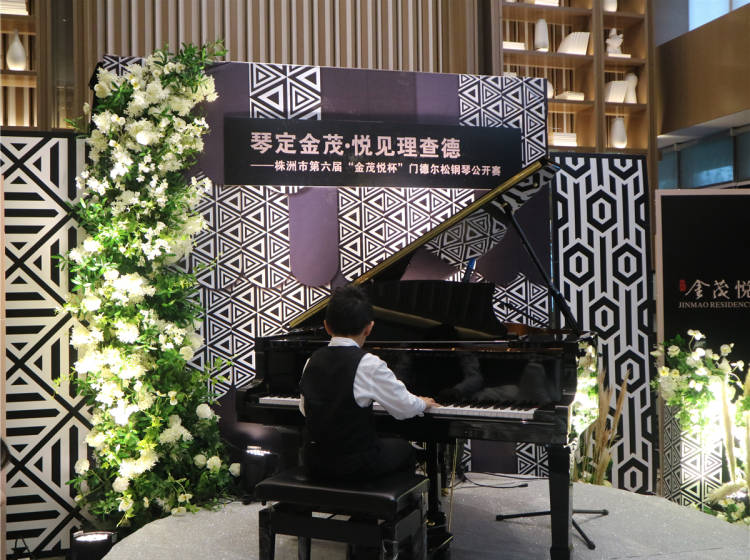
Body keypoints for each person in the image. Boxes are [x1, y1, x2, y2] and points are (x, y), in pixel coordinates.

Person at [299, 284, 439, 481]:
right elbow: (403, 408)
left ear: (327, 326)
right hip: (354, 466)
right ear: (369, 328)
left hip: (314, 463)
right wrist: (422, 403)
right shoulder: (369, 364)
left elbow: (305, 409)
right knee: (405, 450)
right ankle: (389, 500)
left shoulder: (311, 361)